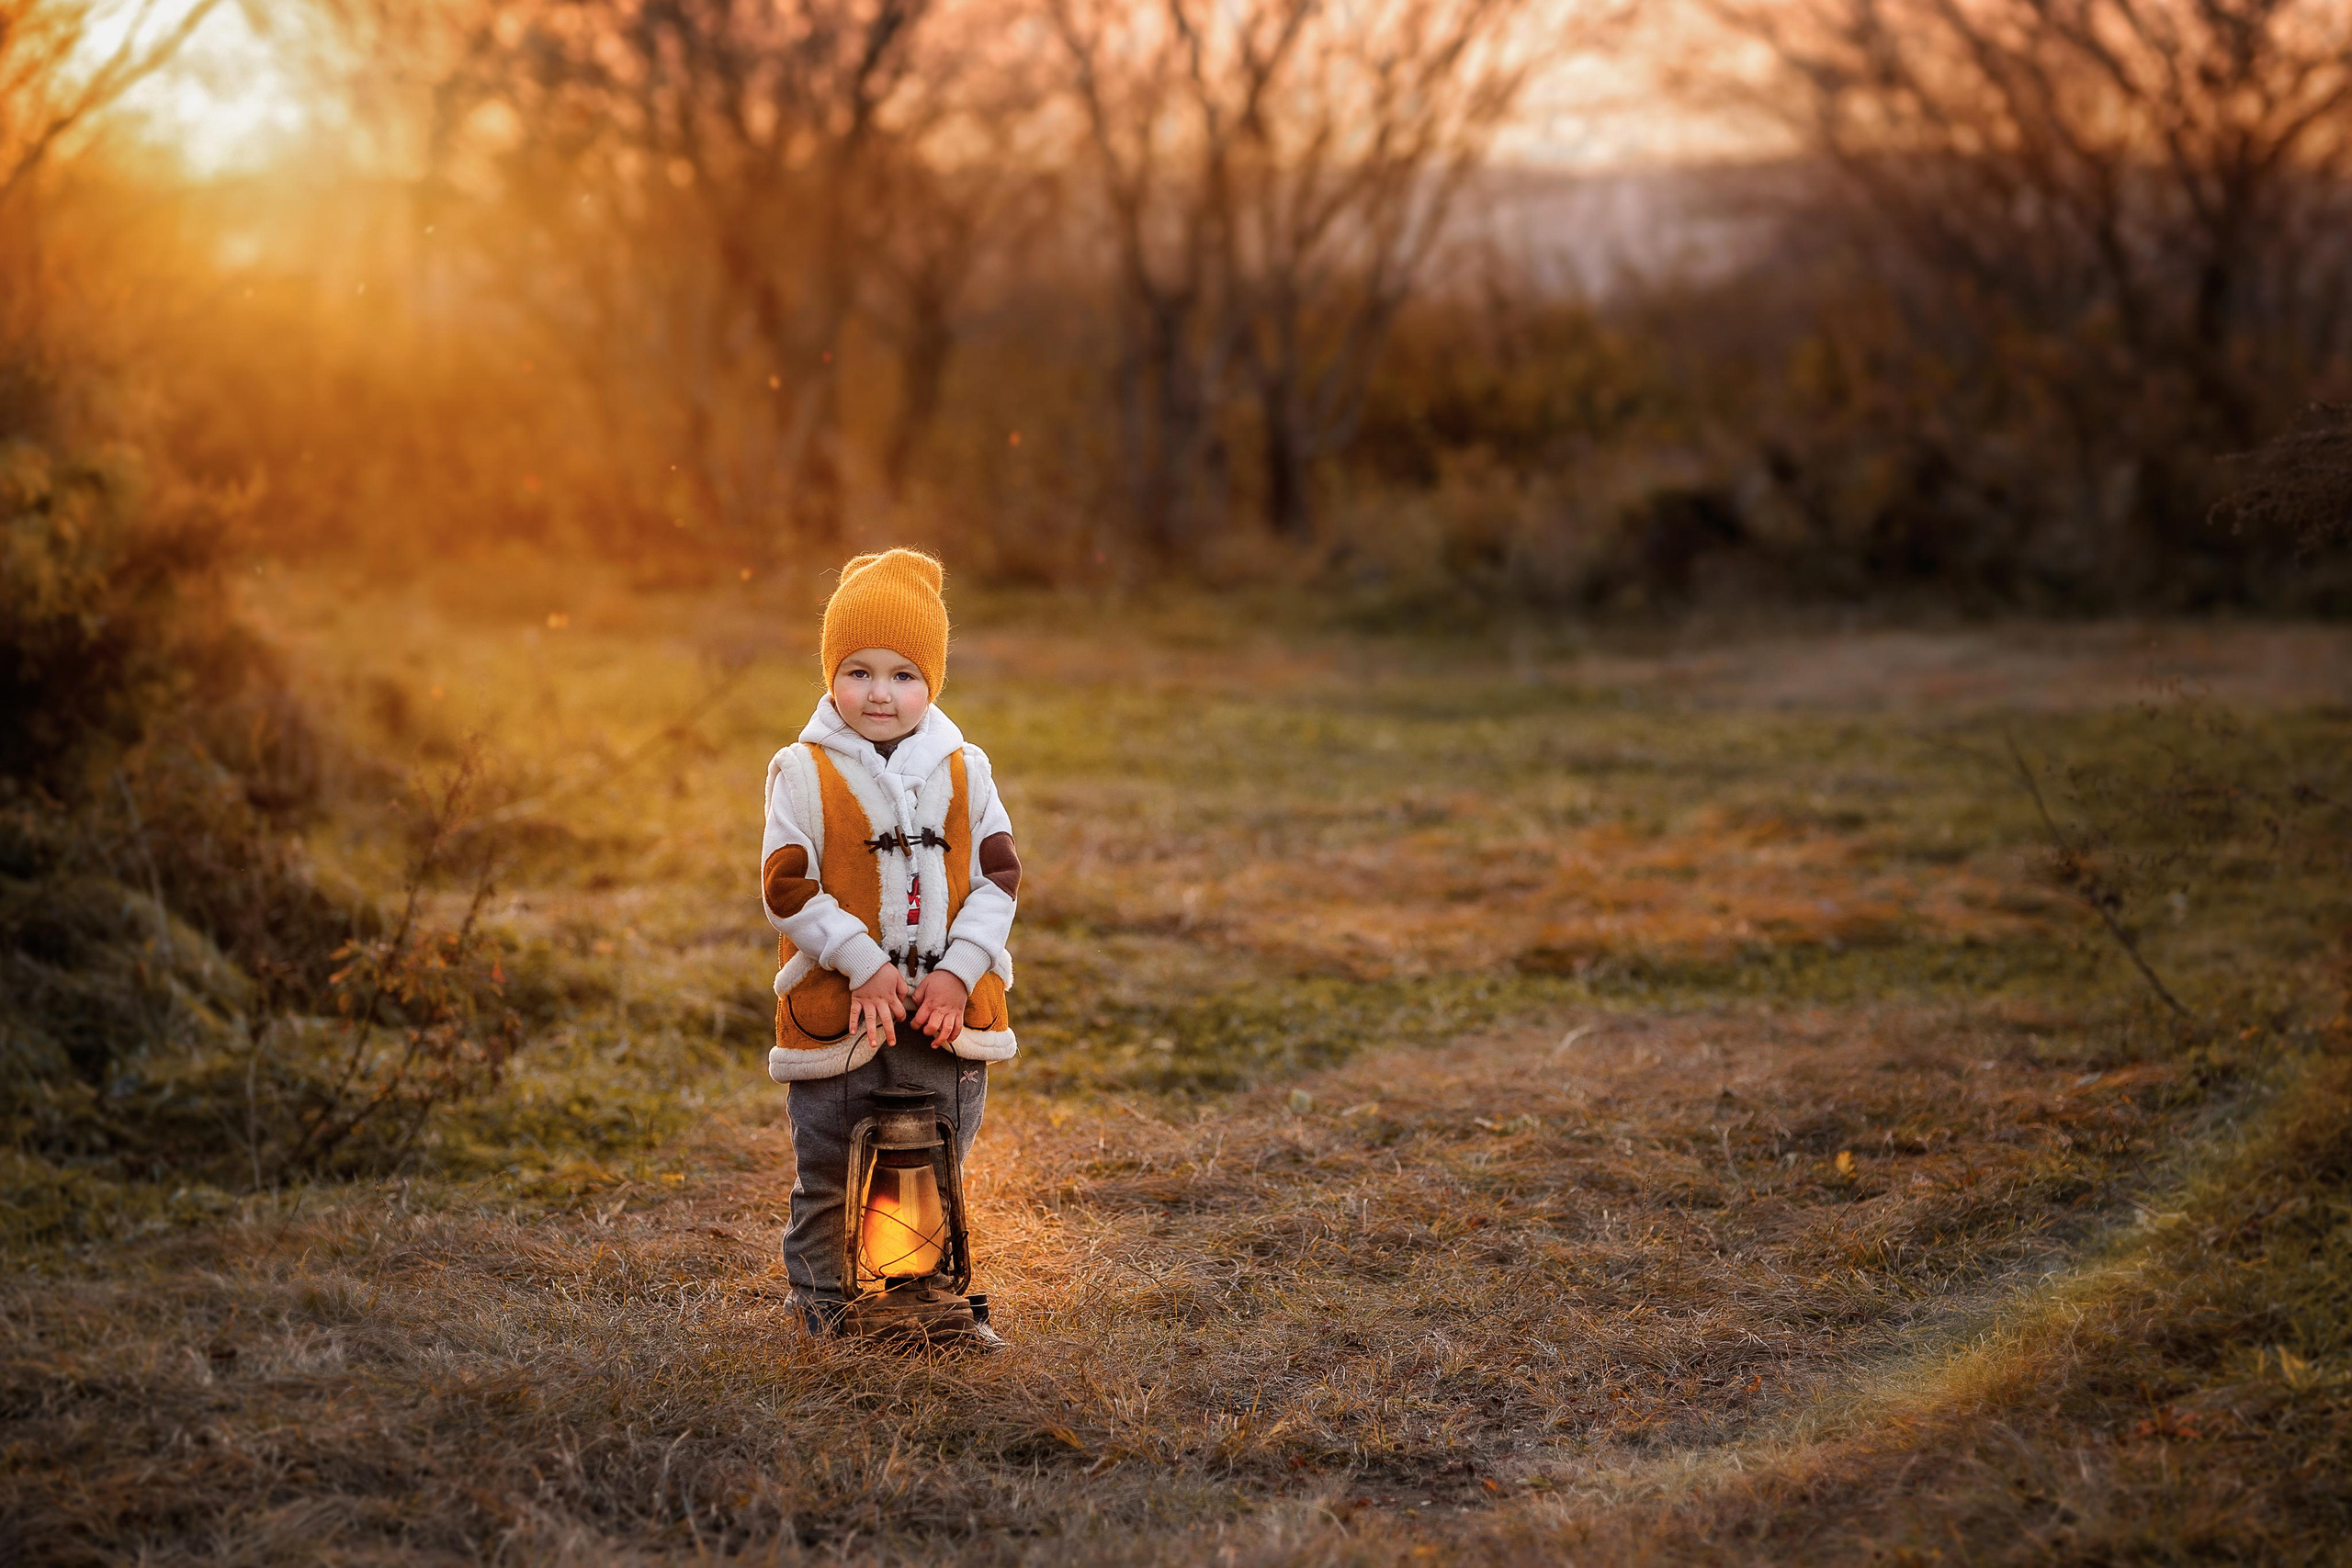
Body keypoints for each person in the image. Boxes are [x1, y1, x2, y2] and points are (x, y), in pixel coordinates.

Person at [758, 548, 1020, 1348]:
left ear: (932, 681)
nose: (880, 692)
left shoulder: (965, 770)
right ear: (832, 673)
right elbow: (786, 884)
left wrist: (956, 972)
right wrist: (863, 960)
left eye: (904, 674)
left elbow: (999, 879)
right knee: (832, 1171)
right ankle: (826, 1313)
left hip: (944, 1020)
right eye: (860, 670)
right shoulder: (800, 770)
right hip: (844, 1017)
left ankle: (929, 1303)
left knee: (933, 1163)